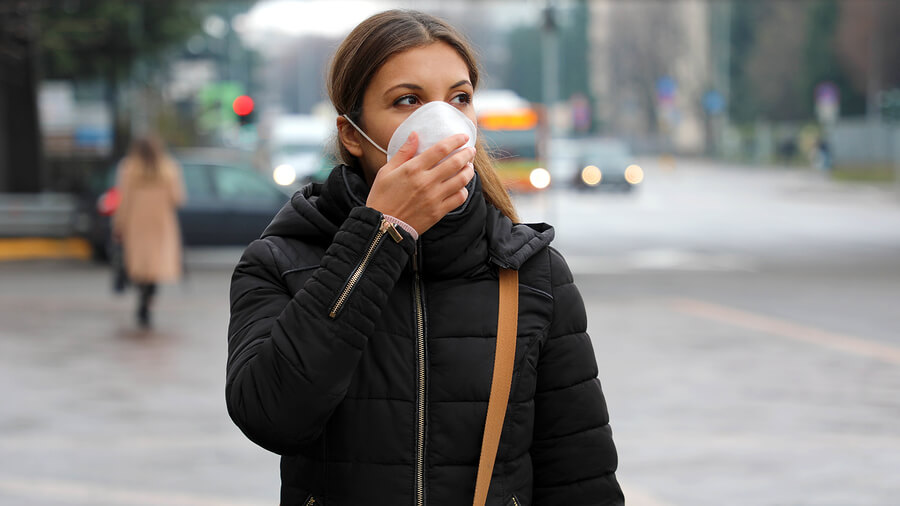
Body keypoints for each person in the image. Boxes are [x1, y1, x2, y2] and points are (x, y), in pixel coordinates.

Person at [226, 10, 623, 505]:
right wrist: (379, 237)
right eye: (408, 100)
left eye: (459, 98)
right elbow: (272, 416)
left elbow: (581, 478)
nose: (443, 121)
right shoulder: (280, 261)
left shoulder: (532, 272)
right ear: (353, 134)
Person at [113, 134, 185, 328]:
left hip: (137, 223)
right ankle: (148, 301)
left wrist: (119, 224)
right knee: (155, 266)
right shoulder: (169, 169)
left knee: (140, 265)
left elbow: (124, 201)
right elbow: (178, 198)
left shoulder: (128, 168)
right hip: (161, 223)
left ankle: (142, 297)